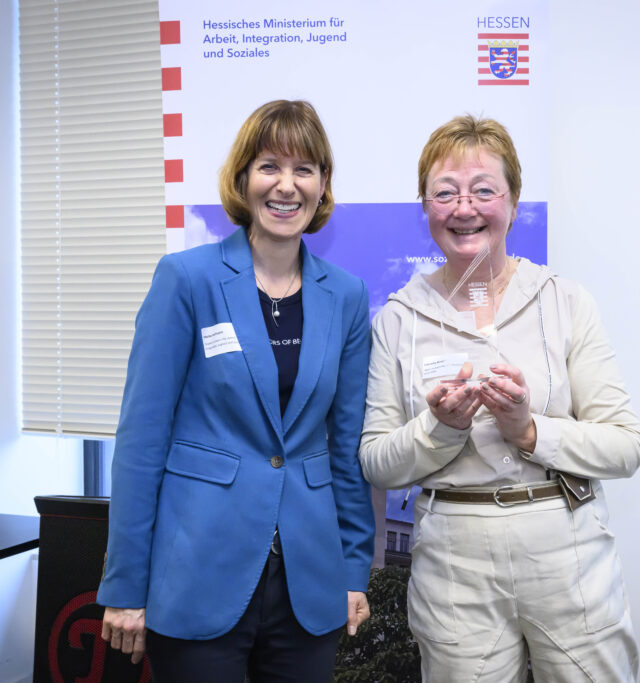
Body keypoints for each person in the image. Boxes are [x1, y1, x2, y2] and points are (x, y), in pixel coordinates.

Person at [97, 99, 375, 682]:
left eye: (304, 170)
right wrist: (124, 585)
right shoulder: (187, 279)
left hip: (309, 580)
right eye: (269, 166)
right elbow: (142, 441)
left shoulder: (347, 296)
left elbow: (346, 447)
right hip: (198, 569)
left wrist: (354, 569)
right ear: (243, 178)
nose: (286, 185)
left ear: (323, 185)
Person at [359, 114, 640, 682]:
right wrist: (440, 428)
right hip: (453, 565)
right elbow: (377, 463)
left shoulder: (564, 302)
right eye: (445, 193)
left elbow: (626, 447)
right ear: (425, 207)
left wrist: (528, 430)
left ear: (513, 203)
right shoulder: (398, 319)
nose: (464, 208)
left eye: (484, 191)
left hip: (567, 550)